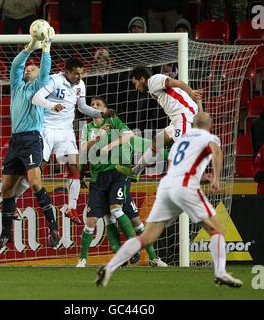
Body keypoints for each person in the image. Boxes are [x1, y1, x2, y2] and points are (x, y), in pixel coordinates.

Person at [96, 112, 243, 288]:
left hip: (167, 186)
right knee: (216, 230)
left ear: (193, 124)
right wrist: (217, 178)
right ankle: (221, 272)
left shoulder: (180, 142)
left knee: (147, 237)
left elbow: (176, 168)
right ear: (209, 125)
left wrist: (202, 179)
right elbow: (217, 152)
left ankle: (110, 267)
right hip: (186, 187)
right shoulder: (209, 137)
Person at [0, 27, 61, 251]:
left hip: (32, 139)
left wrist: (46, 49)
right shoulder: (17, 87)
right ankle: (4, 235)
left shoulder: (39, 88)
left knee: (34, 182)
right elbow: (15, 66)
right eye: (28, 67)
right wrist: (30, 47)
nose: (28, 69)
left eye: (32, 67)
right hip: (15, 141)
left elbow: (45, 72)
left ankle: (53, 226)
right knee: (6, 189)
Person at [31, 59, 115, 224]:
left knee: (74, 165)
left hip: (66, 131)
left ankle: (71, 208)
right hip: (46, 128)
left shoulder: (80, 85)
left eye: (81, 74)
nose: (79, 77)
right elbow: (36, 98)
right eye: (76, 73)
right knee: (36, 170)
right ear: (66, 71)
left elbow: (82, 107)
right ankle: (15, 199)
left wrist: (101, 114)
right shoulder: (54, 80)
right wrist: (51, 105)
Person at [76, 96, 136, 267]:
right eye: (92, 105)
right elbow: (82, 149)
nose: (94, 107)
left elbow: (129, 135)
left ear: (105, 109)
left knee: (116, 211)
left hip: (116, 173)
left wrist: (109, 146)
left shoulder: (113, 121)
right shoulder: (87, 127)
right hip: (96, 177)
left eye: (98, 105)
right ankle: (83, 258)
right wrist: (94, 141)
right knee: (92, 219)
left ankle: (134, 247)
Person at [116, 64, 203, 181]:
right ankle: (135, 171)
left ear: (142, 79)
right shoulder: (152, 88)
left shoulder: (154, 80)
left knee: (181, 149)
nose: (136, 87)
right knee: (157, 142)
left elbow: (178, 83)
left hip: (183, 116)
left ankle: (193, 178)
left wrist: (191, 92)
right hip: (177, 119)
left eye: (135, 83)